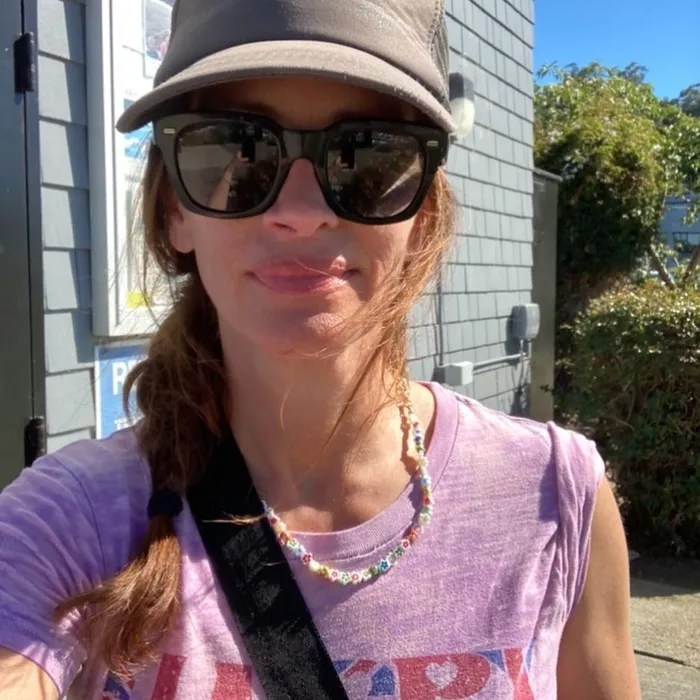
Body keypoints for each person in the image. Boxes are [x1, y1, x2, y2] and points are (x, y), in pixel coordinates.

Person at [0, 1, 641, 698]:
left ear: (423, 213)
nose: (301, 212)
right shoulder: (71, 520)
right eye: (237, 149)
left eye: (367, 155)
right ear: (174, 209)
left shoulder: (556, 499)